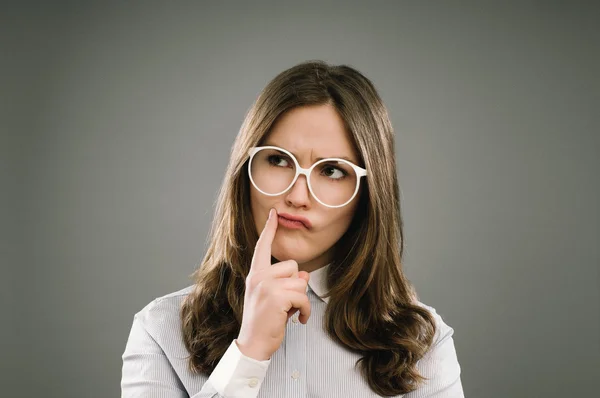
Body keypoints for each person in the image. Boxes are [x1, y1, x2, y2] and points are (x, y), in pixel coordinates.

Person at [121, 60, 465, 397]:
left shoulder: (423, 344)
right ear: (245, 170)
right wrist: (248, 354)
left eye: (332, 171)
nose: (298, 196)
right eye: (279, 160)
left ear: (369, 194)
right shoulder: (161, 330)